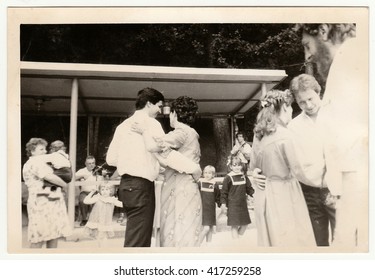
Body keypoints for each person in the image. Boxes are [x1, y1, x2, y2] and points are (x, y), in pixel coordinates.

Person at [296, 24, 367, 247]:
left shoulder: (352, 62)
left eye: (307, 45)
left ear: (324, 30)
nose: (307, 56)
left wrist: (343, 238)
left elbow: (355, 151)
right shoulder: (344, 64)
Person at [250, 90, 323, 247]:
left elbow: (253, 167)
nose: (291, 111)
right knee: (292, 239)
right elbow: (300, 171)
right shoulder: (285, 135)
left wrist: (255, 174)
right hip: (285, 193)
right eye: (290, 107)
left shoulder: (259, 135)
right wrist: (325, 181)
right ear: (284, 107)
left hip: (264, 193)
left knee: (273, 240)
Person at [134, 96, 203, 247]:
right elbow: (168, 159)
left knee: (176, 229)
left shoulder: (180, 132)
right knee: (188, 229)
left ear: (174, 114)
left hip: (178, 187)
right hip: (188, 185)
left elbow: (153, 146)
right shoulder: (192, 133)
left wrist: (144, 131)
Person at [106, 87, 165, 247]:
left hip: (126, 186)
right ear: (148, 104)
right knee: (138, 242)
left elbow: (110, 159)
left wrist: (129, 160)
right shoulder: (152, 124)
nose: (160, 110)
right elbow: (163, 151)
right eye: (158, 106)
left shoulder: (122, 126)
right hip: (142, 186)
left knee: (135, 234)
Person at [287, 74, 336, 246]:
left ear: (318, 92)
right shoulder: (293, 127)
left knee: (344, 242)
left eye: (310, 98)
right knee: (318, 243)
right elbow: (287, 159)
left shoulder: (336, 117)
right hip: (309, 192)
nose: (308, 105)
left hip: (338, 189)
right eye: (302, 102)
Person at [22, 138, 71, 248]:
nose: (45, 152)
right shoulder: (33, 163)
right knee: (39, 236)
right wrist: (65, 185)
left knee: (53, 234)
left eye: (45, 149)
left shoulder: (43, 163)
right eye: (41, 149)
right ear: (32, 151)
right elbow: (49, 177)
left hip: (51, 202)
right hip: (41, 203)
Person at [220, 155, 254, 240]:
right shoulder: (228, 178)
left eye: (239, 165)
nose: (237, 167)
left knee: (245, 224)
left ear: (242, 166)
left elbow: (249, 189)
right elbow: (224, 192)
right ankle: (236, 242)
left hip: (242, 205)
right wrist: (223, 204)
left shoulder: (244, 177)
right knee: (234, 225)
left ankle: (237, 239)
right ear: (231, 166)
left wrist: (253, 194)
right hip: (232, 205)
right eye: (234, 165)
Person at [83, 182, 123, 247]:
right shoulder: (98, 197)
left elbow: (122, 204)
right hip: (96, 221)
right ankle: (100, 249)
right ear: (100, 191)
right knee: (98, 237)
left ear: (111, 191)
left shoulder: (112, 200)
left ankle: (104, 250)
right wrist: (92, 192)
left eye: (107, 189)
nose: (104, 191)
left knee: (104, 237)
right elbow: (86, 201)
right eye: (102, 189)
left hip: (105, 222)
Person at [198, 165, 221, 243]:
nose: (207, 174)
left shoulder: (214, 184)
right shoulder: (200, 183)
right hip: (203, 208)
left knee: (210, 228)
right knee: (206, 228)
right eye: (205, 172)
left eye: (209, 173)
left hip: (211, 209)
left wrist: (220, 204)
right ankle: (197, 244)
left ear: (213, 174)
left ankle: (208, 246)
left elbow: (218, 196)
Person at [75, 156, 98, 227]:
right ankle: (84, 219)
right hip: (85, 192)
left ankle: (95, 219)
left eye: (93, 163)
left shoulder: (98, 171)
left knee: (100, 200)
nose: (91, 165)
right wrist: (82, 176)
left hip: (95, 192)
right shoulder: (82, 171)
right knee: (82, 201)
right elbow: (73, 178)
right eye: (89, 163)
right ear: (85, 164)